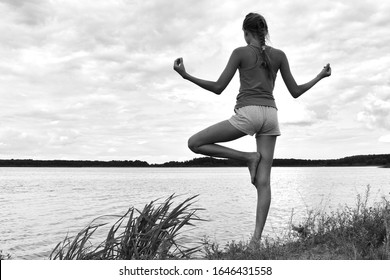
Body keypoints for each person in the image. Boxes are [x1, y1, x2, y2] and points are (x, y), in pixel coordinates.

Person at [173, 12, 331, 242]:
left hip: (249, 112)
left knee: (195, 143)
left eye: (244, 34)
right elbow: (295, 91)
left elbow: (218, 87)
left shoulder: (240, 52)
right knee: (264, 182)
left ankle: (248, 158)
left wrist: (186, 76)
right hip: (271, 115)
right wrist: (320, 76)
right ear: (264, 32)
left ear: (246, 33)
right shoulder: (279, 55)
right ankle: (255, 241)